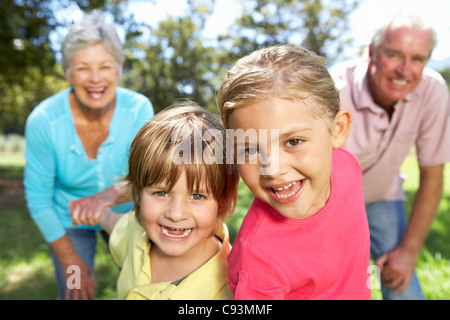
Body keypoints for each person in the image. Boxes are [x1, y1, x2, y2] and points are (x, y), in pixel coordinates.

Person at [217, 44, 371, 300]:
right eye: (250, 150)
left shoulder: (347, 166)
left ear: (338, 129)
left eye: (293, 142)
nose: (273, 169)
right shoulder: (257, 256)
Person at [23, 11, 154, 300]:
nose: (95, 79)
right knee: (75, 290)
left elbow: (146, 176)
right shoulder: (44, 120)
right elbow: (38, 198)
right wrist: (71, 260)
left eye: (105, 66)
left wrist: (108, 196)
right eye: (82, 68)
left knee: (147, 287)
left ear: (119, 69)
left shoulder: (139, 109)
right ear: (67, 72)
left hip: (125, 211)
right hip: (67, 217)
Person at [332, 11, 450, 300]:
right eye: (394, 55)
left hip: (382, 197)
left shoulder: (433, 90)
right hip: (328, 205)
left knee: (401, 279)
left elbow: (433, 174)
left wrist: (408, 252)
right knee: (334, 287)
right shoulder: (333, 90)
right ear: (372, 52)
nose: (405, 70)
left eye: (418, 59)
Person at [71, 103, 240, 300]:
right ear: (137, 194)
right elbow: (112, 223)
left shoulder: (230, 289)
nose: (176, 214)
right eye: (161, 193)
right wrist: (96, 212)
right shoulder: (136, 232)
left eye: (197, 196)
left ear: (222, 203)